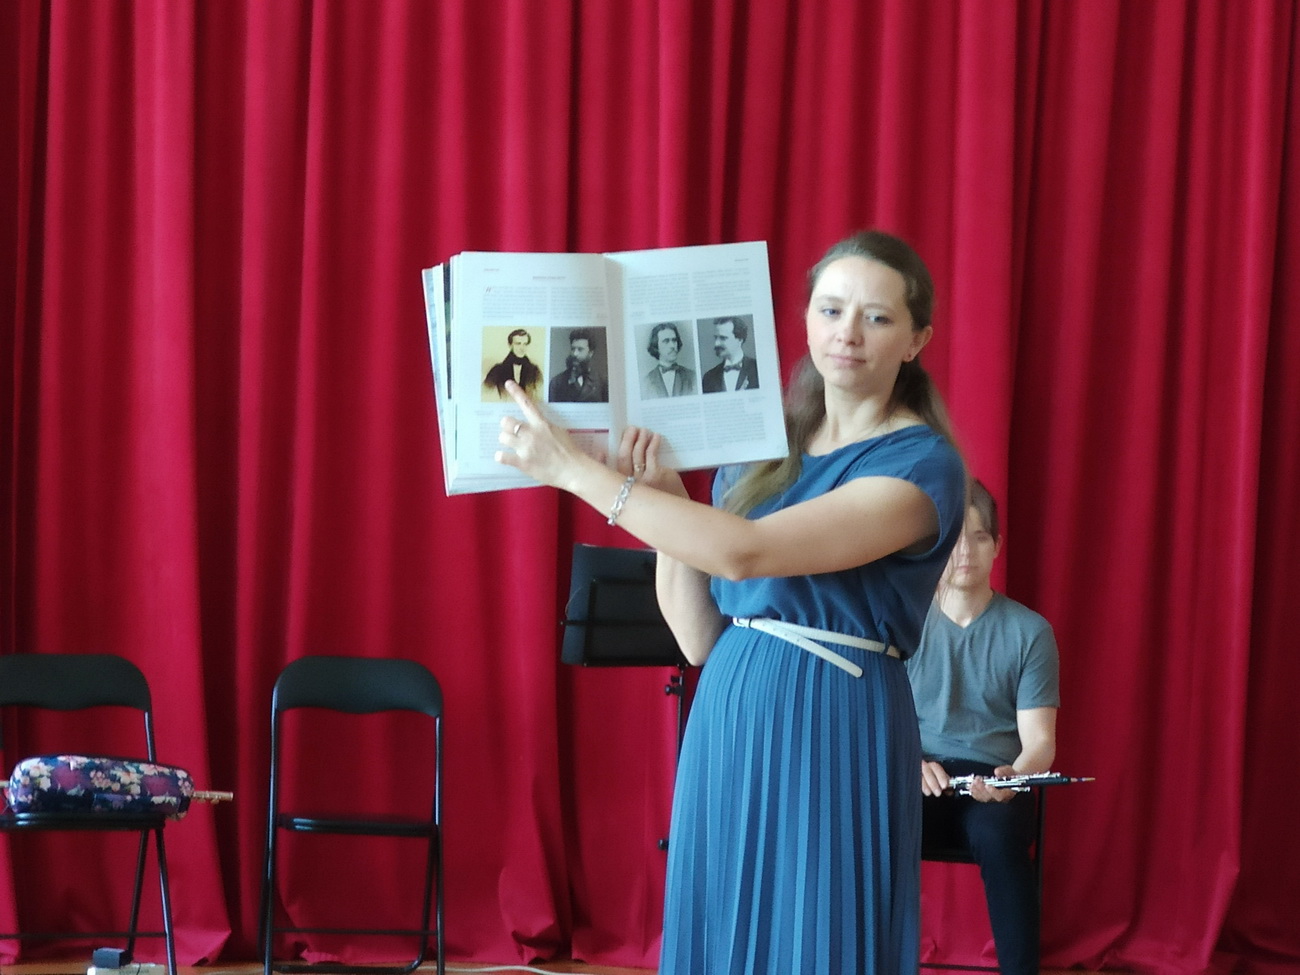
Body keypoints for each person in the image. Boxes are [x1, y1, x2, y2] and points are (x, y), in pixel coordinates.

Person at [495, 230, 967, 975]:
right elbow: (697, 635)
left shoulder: (923, 465)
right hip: (731, 703)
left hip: (835, 717)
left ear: (917, 340)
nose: (847, 332)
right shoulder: (760, 445)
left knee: (819, 935)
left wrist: (575, 472)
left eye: (877, 317)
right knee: (722, 928)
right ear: (804, 318)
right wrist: (665, 498)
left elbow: (746, 552)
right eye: (831, 309)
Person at [905, 480, 1059, 975]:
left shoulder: (1030, 632)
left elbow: (1040, 742)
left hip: (994, 783)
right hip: (919, 777)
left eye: (979, 537)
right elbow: (881, 725)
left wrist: (1014, 777)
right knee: (867, 822)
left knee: (998, 836)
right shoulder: (907, 623)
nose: (966, 552)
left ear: (996, 546)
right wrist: (911, 764)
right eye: (954, 539)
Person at [701, 315, 760, 392]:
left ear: (740, 339)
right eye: (716, 338)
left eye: (723, 338)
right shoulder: (709, 377)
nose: (716, 344)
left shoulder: (758, 369)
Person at [548, 327, 608, 403]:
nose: (574, 354)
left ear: (590, 353)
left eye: (580, 349)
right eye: (573, 349)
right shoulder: (556, 383)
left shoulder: (602, 383)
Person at [642, 321, 697, 398]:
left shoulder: (692, 376)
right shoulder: (647, 381)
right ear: (656, 346)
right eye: (666, 341)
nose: (672, 346)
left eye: (674, 340)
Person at [483, 327, 542, 399]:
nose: (522, 348)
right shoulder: (497, 370)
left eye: (525, 344)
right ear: (510, 345)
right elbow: (485, 394)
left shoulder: (534, 371)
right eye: (518, 344)